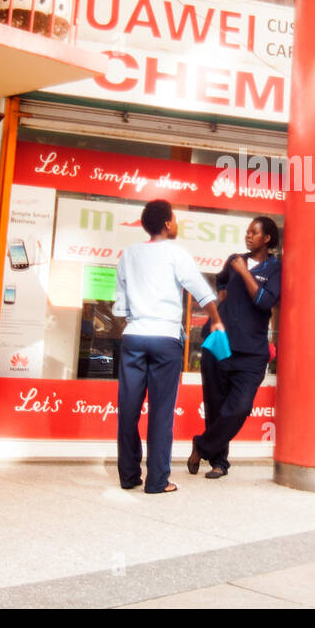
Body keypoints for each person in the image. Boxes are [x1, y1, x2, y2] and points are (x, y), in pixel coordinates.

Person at [113, 199, 223, 494]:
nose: (176, 223)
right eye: (174, 218)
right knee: (161, 413)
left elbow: (120, 306)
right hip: (165, 340)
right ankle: (157, 481)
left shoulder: (129, 254)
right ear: (166, 223)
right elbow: (201, 291)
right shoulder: (177, 254)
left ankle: (128, 476)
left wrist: (136, 321)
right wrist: (216, 320)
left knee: (128, 411)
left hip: (134, 337)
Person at [188, 216, 282, 479]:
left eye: (254, 232)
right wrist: (222, 301)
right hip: (219, 343)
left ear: (267, 238)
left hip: (252, 351)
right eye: (247, 231)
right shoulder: (234, 259)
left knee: (239, 407)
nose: (248, 236)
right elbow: (221, 281)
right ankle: (220, 463)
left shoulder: (275, 269)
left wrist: (244, 272)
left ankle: (202, 445)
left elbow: (265, 302)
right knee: (216, 405)